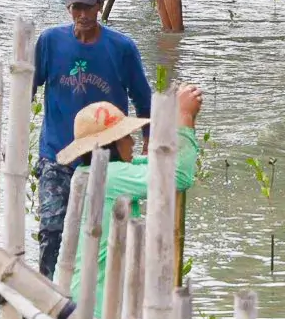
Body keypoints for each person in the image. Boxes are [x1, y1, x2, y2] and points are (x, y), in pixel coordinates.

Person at [31, 0, 152, 276]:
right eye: (76, 8)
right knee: (52, 230)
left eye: (88, 7)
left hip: (106, 156)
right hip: (58, 153)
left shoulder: (122, 48)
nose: (82, 15)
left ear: (100, 5)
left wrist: (148, 141)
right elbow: (26, 87)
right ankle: (47, 290)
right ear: (68, 8)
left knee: (104, 233)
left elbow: (143, 99)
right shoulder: (50, 42)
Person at [55, 83, 202, 307]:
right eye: (126, 137)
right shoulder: (111, 176)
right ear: (112, 145)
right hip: (95, 307)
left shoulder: (86, 172)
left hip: (78, 295)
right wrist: (184, 117)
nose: (133, 142)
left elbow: (156, 162)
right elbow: (178, 177)